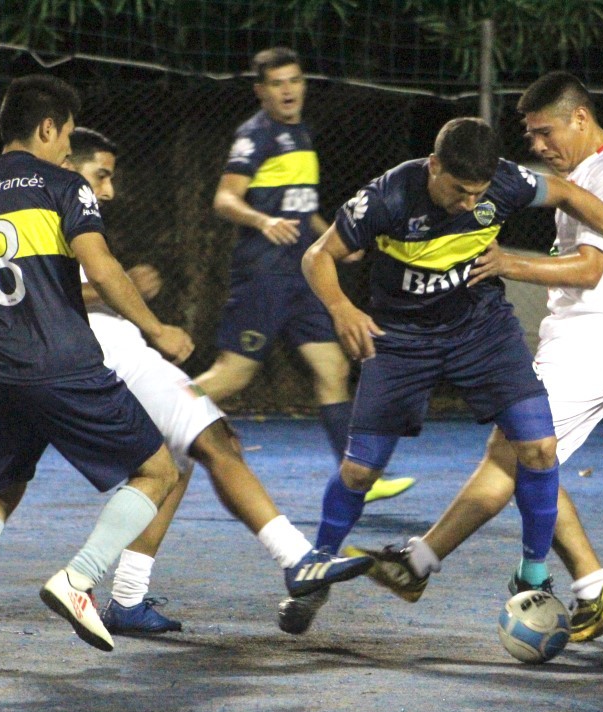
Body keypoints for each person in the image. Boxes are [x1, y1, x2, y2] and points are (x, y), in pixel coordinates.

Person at [286, 115, 603, 635]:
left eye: (474, 193)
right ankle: (316, 568)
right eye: (457, 191)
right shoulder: (388, 197)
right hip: (402, 339)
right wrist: (342, 309)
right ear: (434, 166)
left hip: (481, 329)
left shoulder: (503, 181)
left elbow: (567, 193)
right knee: (360, 472)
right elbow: (318, 256)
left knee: (539, 447)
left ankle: (534, 576)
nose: (465, 203)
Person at [0, 74, 195, 660]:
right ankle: (80, 578)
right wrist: (157, 327)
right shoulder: (64, 185)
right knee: (159, 471)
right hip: (61, 362)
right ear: (47, 127)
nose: (67, 146)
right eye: (65, 133)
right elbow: (102, 265)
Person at [63, 127, 372, 635]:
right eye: (102, 176)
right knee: (214, 437)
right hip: (105, 352)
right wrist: (128, 301)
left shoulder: (36, 204)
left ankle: (126, 599)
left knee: (176, 457)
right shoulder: (55, 209)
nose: (109, 190)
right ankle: (298, 559)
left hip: (98, 352)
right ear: (66, 164)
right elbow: (50, 293)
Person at [191, 46, 412, 503]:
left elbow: (303, 210)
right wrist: (262, 221)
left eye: (295, 80)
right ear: (261, 91)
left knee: (332, 367)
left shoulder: (303, 134)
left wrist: (335, 242)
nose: (288, 90)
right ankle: (148, 416)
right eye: (277, 83)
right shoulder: (255, 136)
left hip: (301, 276)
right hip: (264, 274)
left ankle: (357, 477)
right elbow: (225, 199)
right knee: (231, 377)